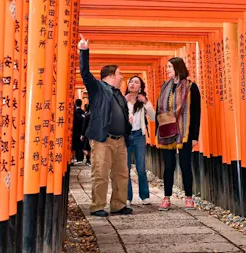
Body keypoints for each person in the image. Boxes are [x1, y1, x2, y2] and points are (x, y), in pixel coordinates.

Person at [78, 34, 133, 217]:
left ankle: (118, 205)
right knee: (100, 173)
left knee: (121, 174)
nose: (122, 77)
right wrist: (84, 51)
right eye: (119, 74)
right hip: (103, 138)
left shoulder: (118, 93)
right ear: (110, 75)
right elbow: (85, 74)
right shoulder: (98, 88)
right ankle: (97, 206)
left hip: (119, 140)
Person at [155, 57, 201, 211]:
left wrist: (195, 136)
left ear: (178, 68)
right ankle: (166, 197)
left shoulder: (190, 87)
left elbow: (196, 112)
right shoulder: (164, 87)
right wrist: (158, 131)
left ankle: (189, 197)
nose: (167, 69)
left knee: (185, 164)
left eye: (169, 67)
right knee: (168, 166)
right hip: (167, 131)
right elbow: (159, 111)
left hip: (185, 131)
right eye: (167, 67)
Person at [124, 76, 156, 207]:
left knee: (141, 167)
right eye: (131, 81)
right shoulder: (123, 99)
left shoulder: (143, 101)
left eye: (136, 82)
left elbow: (154, 117)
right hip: (125, 136)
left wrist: (146, 102)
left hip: (138, 136)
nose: (132, 84)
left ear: (140, 87)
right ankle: (127, 197)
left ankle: (145, 195)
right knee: (125, 168)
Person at [72, 99, 85, 164]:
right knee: (80, 145)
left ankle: (74, 158)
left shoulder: (74, 113)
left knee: (74, 145)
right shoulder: (83, 113)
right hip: (81, 131)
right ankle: (80, 158)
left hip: (74, 132)